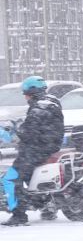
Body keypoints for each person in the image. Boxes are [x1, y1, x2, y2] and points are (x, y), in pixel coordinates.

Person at [1, 76, 65, 227]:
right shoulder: (50, 103)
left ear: (32, 92)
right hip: (48, 146)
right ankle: (47, 205)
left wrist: (13, 133)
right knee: (30, 177)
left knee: (10, 178)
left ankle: (19, 215)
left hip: (36, 149)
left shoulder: (39, 108)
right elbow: (36, 125)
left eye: (25, 93)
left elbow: (29, 133)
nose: (24, 96)